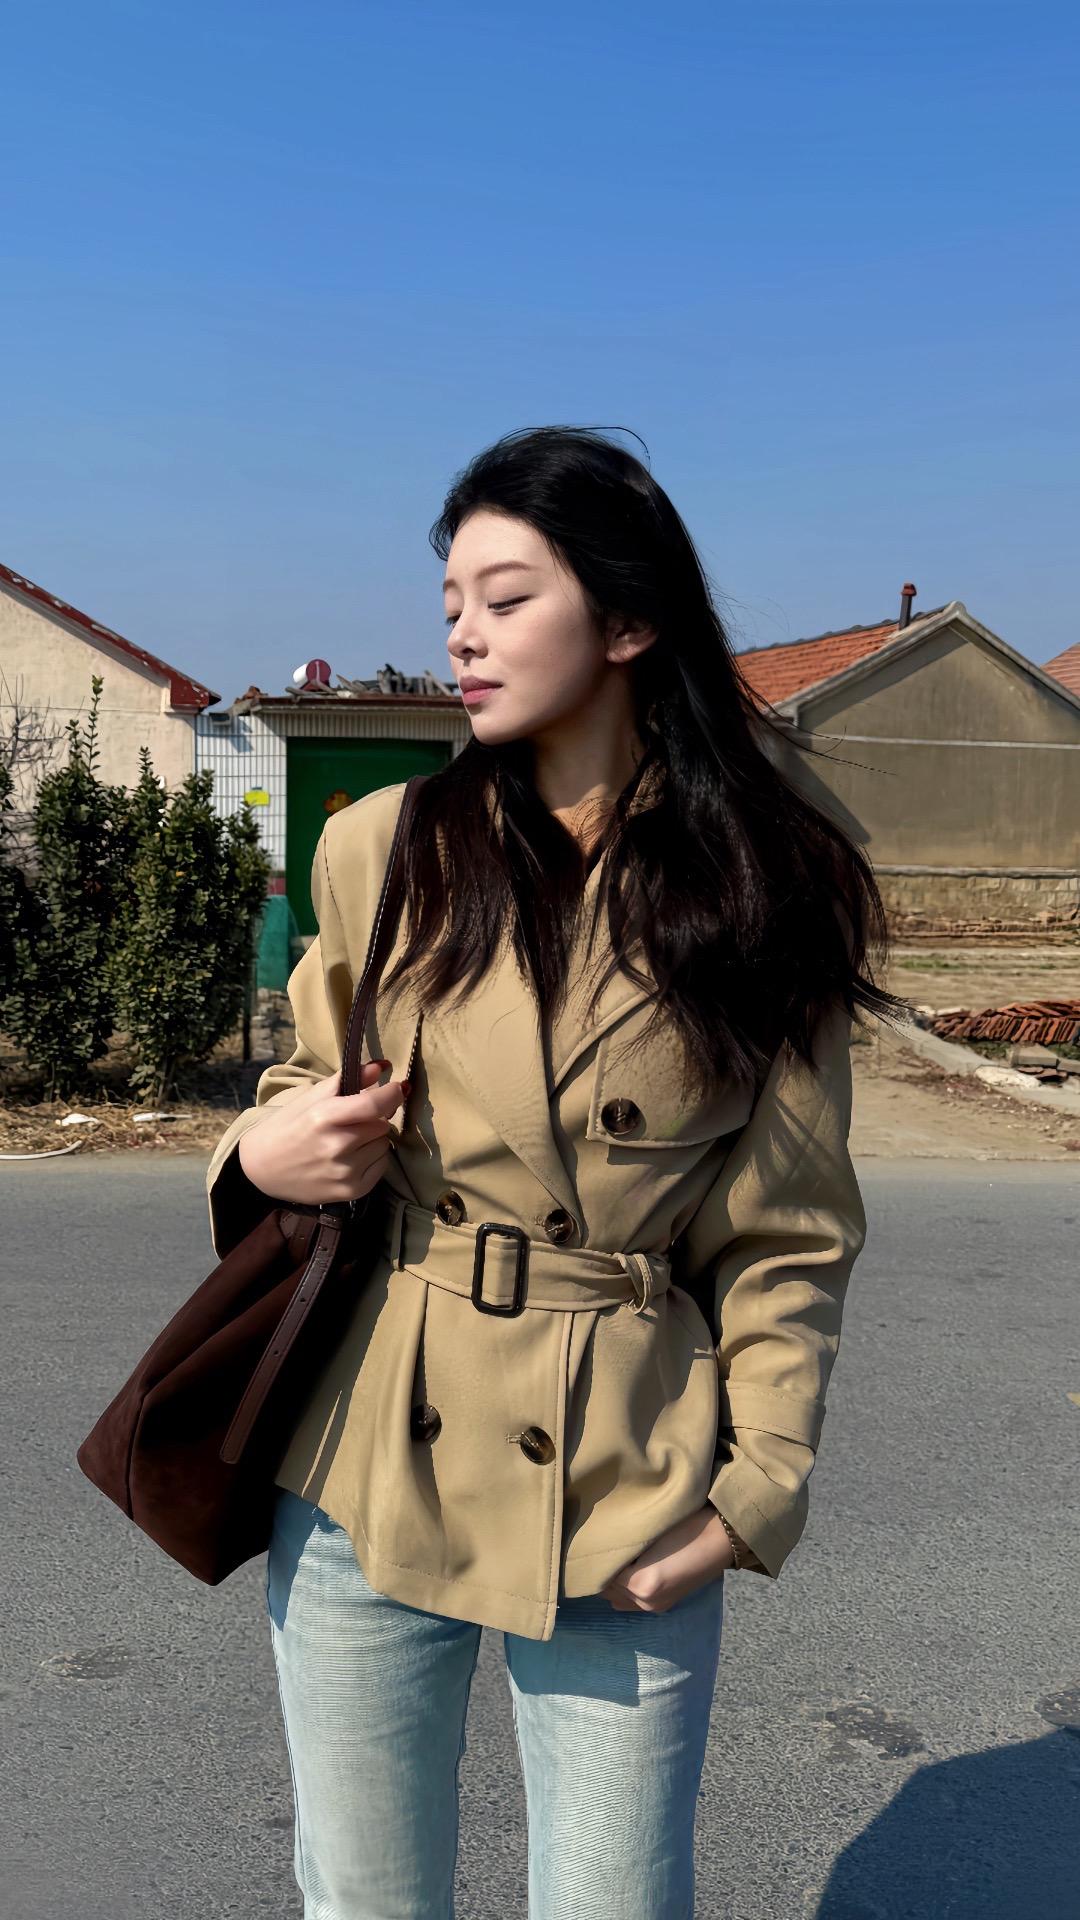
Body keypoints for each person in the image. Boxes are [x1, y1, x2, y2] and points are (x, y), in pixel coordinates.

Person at [205, 425, 905, 1919]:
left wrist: (754, 1493)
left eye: (507, 596)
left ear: (630, 618)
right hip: (368, 1452)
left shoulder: (768, 880)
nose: (462, 631)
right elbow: (299, 1083)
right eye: (451, 598)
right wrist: (265, 1145)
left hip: (626, 1472)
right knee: (363, 1898)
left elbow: (788, 1236)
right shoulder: (383, 848)